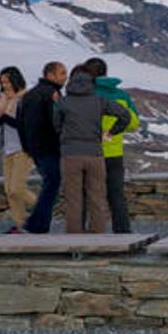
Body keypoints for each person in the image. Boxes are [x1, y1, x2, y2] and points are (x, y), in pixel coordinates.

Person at [53, 66, 132, 234]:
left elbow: (56, 124)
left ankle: (75, 237)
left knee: (73, 198)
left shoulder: (64, 102)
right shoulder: (99, 100)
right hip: (95, 154)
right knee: (97, 197)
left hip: (71, 155)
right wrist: (112, 131)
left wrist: (65, 135)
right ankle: (97, 235)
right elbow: (125, 115)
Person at [82, 58, 140, 234]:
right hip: (113, 153)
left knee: (85, 196)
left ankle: (80, 235)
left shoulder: (82, 94)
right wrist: (113, 129)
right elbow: (134, 123)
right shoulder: (121, 96)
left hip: (88, 152)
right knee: (116, 195)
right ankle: (123, 233)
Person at [18, 62, 68, 233]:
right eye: (62, 73)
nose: (65, 77)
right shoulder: (52, 94)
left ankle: (39, 224)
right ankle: (36, 225)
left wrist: (27, 147)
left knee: (50, 183)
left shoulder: (30, 94)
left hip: (35, 148)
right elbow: (57, 123)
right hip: (50, 148)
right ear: (50, 75)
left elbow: (21, 122)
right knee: (52, 183)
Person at [0, 67, 35, 231]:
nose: (4, 85)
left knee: (17, 188)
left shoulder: (25, 99)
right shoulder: (3, 100)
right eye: (2, 82)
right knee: (9, 192)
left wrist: (4, 114)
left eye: (7, 81)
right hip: (7, 149)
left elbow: (24, 125)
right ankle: (21, 226)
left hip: (23, 149)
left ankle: (42, 207)